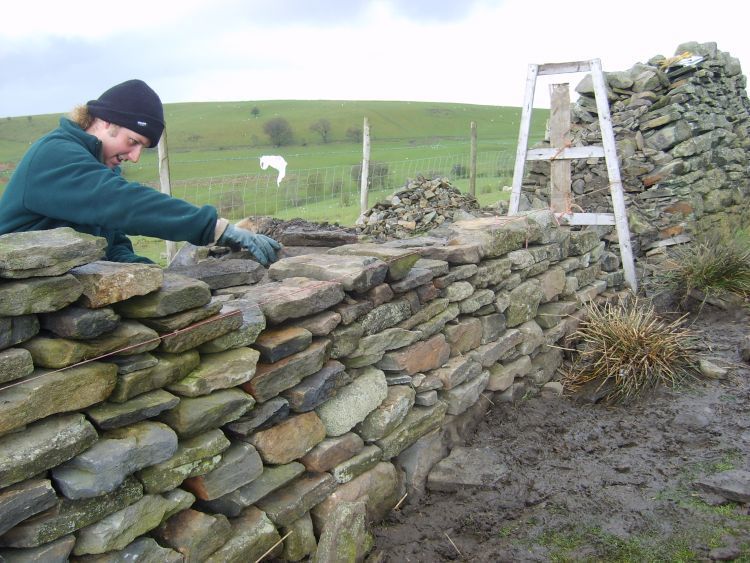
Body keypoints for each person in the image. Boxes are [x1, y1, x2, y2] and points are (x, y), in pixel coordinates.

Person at [0, 79, 280, 266]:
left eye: (142, 148)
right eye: (132, 142)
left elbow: (113, 246)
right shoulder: (55, 156)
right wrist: (215, 228)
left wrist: (157, 277)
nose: (134, 157)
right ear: (104, 122)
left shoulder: (98, 168)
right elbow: (123, 203)